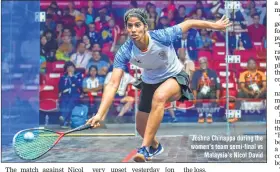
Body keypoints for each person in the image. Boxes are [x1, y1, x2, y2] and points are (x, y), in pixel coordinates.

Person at [86, 8, 231, 162]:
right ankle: (155, 145)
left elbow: (189, 23)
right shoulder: (125, 51)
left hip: (175, 77)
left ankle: (144, 148)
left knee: (160, 96)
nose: (133, 30)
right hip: (149, 82)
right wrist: (100, 114)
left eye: (137, 25)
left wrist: (215, 26)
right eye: (130, 26)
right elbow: (113, 83)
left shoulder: (162, 36)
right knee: (141, 127)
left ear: (145, 26)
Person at [191, 57, 220, 123]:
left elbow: (218, 86)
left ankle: (209, 115)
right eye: (201, 63)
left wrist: (217, 97)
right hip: (201, 91)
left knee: (213, 96)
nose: (202, 64)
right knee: (199, 96)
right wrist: (195, 98)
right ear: (199, 65)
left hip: (211, 91)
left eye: (204, 63)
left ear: (207, 63)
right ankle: (200, 115)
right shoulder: (196, 73)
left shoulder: (213, 72)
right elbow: (194, 87)